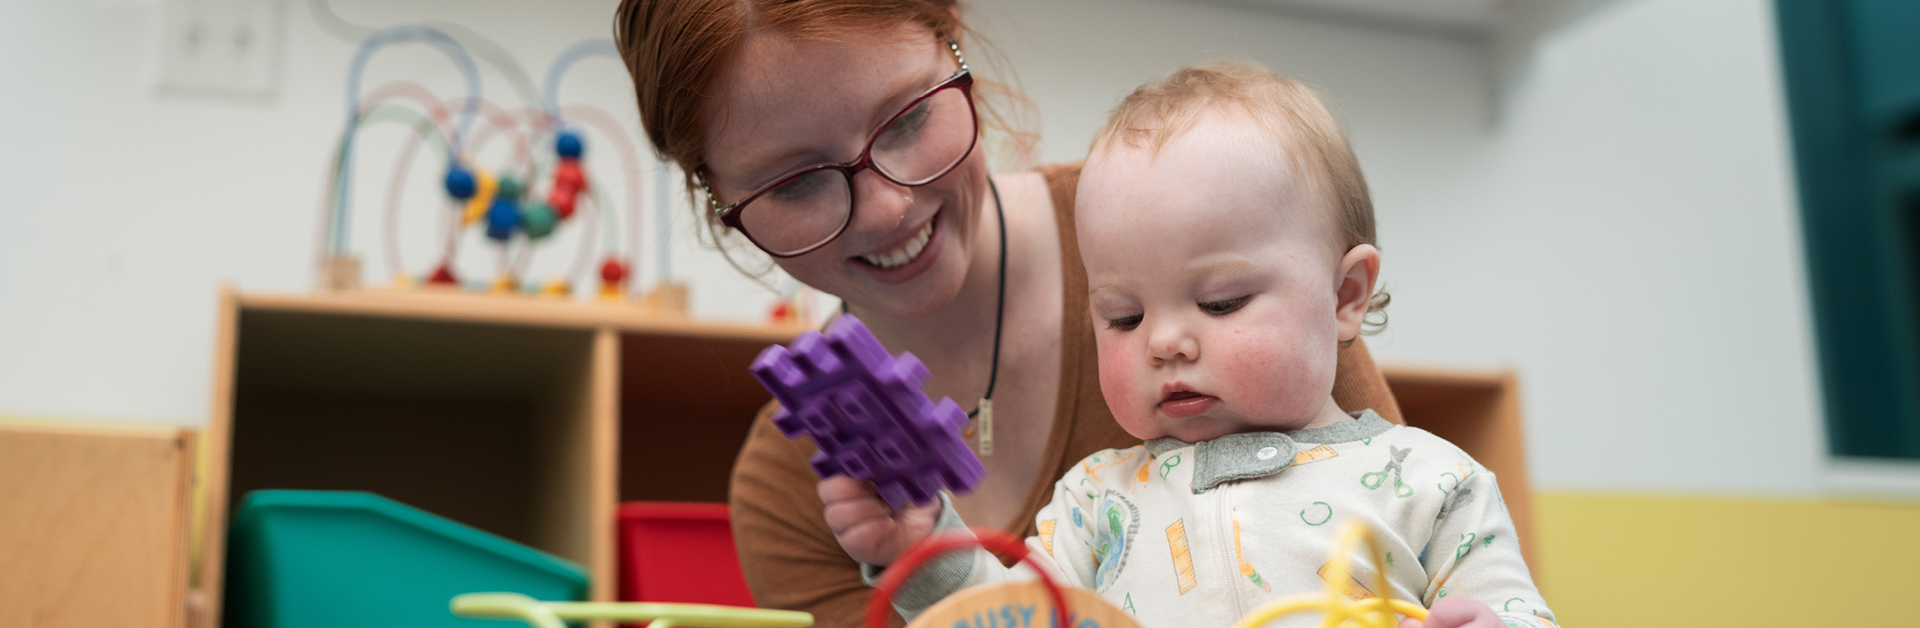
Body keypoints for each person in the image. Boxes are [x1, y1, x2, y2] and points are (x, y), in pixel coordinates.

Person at [612, 3, 1406, 624]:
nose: (888, 208)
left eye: (909, 119)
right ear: (724, 206)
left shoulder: (1205, 247)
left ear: (953, 41)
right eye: (794, 183)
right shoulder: (797, 490)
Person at [822, 63, 1557, 628]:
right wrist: (929, 556)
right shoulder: (1094, 505)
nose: (1165, 342)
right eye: (1123, 316)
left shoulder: (1429, 480)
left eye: (1221, 302)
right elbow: (1018, 617)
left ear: (1345, 296)